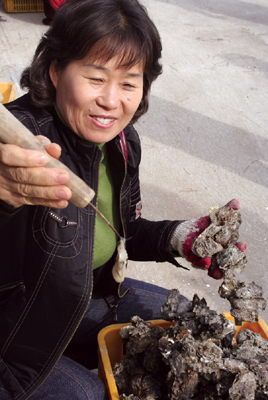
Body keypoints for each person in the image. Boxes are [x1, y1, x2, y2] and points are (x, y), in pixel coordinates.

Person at [0, 0, 246, 399]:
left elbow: (119, 230)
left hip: (88, 293)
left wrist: (178, 237)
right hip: (17, 326)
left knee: (190, 321)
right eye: (96, 78)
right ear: (56, 69)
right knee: (86, 393)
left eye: (129, 82)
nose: (112, 101)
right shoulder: (21, 140)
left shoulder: (121, 143)